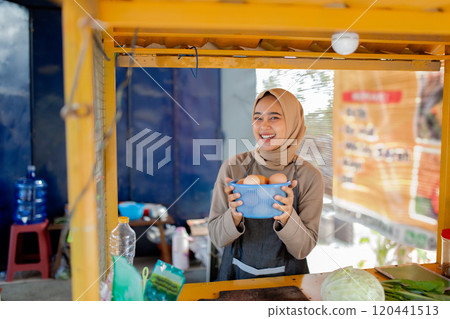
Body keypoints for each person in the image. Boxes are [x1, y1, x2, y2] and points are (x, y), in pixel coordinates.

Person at [208, 88, 324, 281]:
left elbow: (303, 249)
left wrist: (287, 217)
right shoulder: (233, 168)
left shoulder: (309, 176)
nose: (264, 126)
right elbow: (217, 237)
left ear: (294, 121)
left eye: (274, 117)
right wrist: (234, 216)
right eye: (258, 117)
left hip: (289, 282)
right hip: (235, 278)